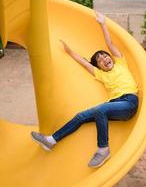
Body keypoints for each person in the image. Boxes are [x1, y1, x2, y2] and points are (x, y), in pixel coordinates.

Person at [31, 11, 139, 168]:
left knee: (100, 110)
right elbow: (83, 62)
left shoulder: (120, 63)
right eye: (100, 60)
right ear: (99, 66)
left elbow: (110, 44)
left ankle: (103, 149)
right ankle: (51, 141)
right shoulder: (101, 75)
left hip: (129, 102)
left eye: (105, 56)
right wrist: (69, 51)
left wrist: (102, 23)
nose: (104, 59)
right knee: (81, 116)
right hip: (115, 105)